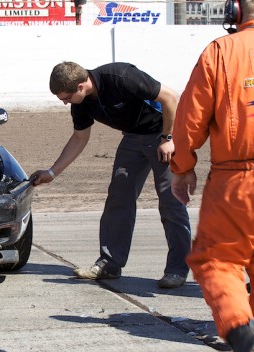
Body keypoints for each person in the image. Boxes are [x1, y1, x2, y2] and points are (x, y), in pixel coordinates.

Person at [30, 61, 191, 289]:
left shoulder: (121, 76)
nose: (65, 102)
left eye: (65, 97)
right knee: (118, 198)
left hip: (164, 134)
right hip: (133, 138)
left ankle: (177, 270)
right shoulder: (81, 103)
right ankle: (109, 264)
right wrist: (52, 173)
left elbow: (170, 98)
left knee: (170, 202)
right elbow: (79, 138)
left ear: (80, 86)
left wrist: (168, 138)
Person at [169, 0, 254, 352]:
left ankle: (243, 335)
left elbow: (191, 116)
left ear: (235, 13)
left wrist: (183, 166)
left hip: (238, 177)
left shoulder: (221, 51)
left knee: (216, 259)